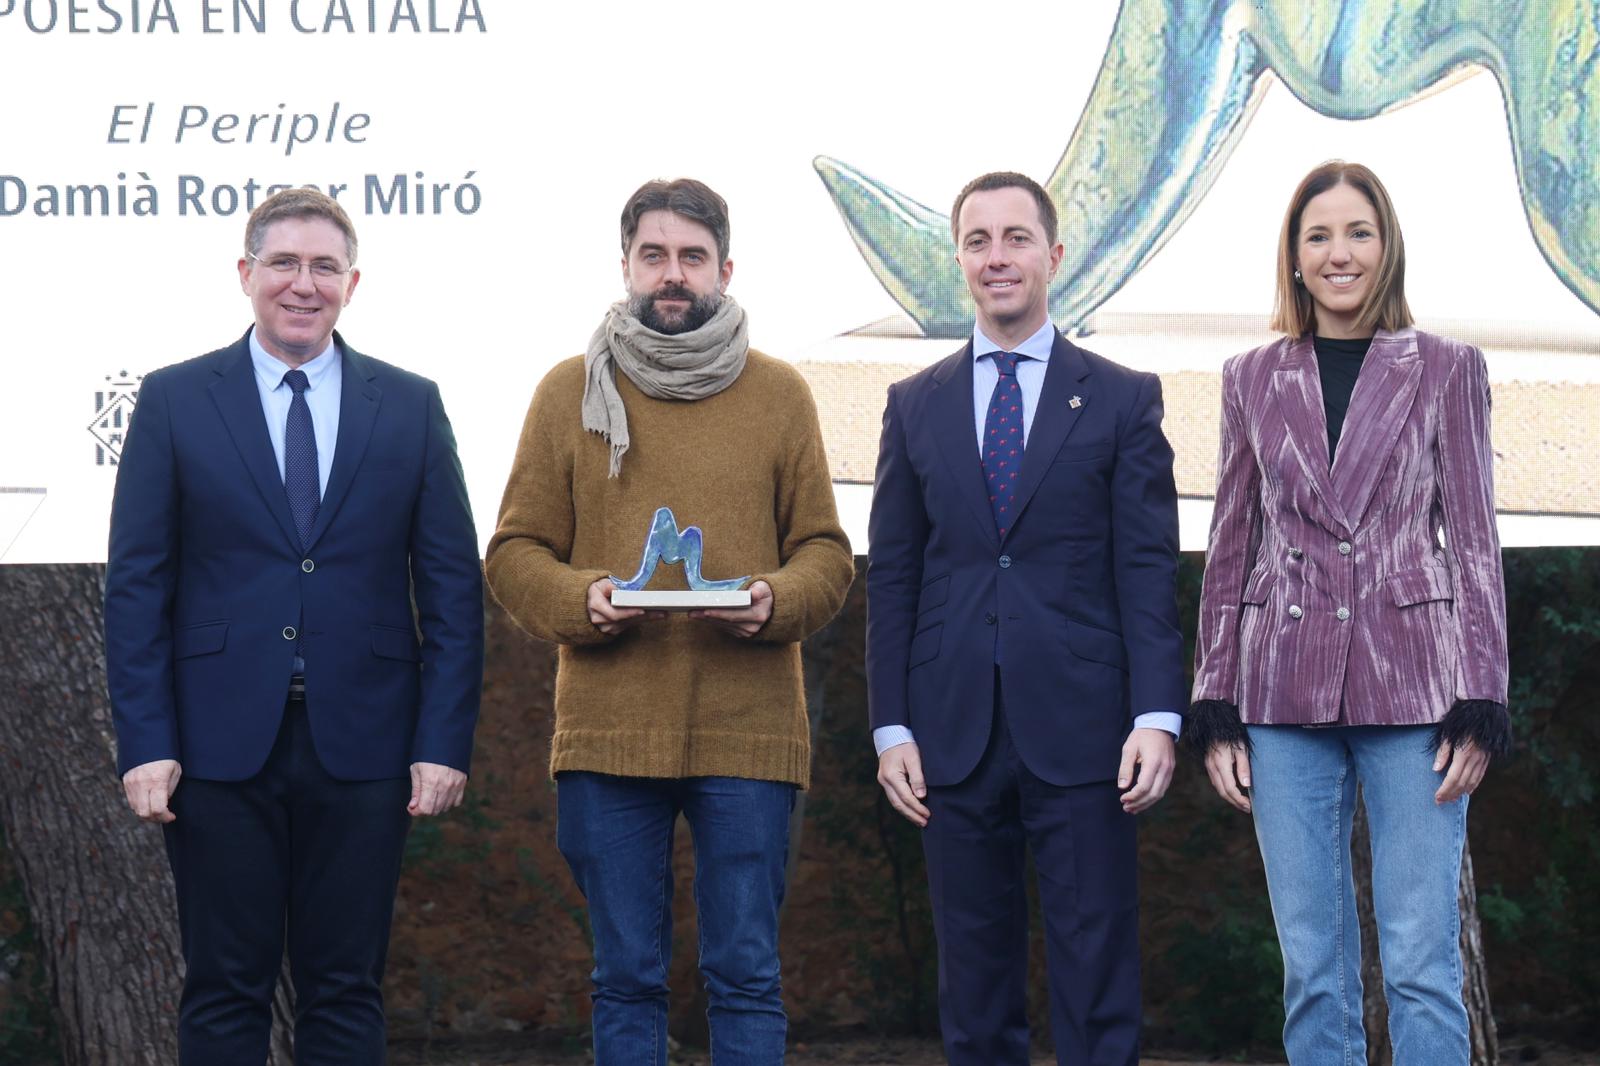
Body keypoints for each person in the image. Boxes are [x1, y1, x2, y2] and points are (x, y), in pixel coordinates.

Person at [105, 187, 485, 1064]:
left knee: (346, 989)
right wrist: (145, 742)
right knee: (224, 988)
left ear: (354, 282)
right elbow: (136, 586)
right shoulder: (173, 401)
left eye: (324, 266)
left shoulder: (411, 404)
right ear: (246, 274)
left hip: (367, 746)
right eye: (284, 263)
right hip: (213, 748)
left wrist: (443, 741)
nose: (303, 284)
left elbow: (452, 589)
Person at [483, 177, 853, 1065]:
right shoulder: (568, 390)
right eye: (655, 256)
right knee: (625, 978)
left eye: (692, 257)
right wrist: (583, 599)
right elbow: (514, 552)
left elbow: (827, 557)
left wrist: (772, 599)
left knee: (747, 975)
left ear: (725, 270)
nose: (672, 275)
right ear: (626, 266)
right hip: (610, 738)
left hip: (749, 737)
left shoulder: (781, 395)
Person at [1188, 160, 1510, 1064]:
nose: (1339, 252)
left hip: (1417, 692)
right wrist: (1215, 703)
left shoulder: (1448, 368)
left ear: (1386, 246)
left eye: (1357, 232)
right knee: (1314, 968)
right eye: (1318, 234)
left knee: (1420, 962)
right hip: (1280, 693)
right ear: (1293, 256)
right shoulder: (1251, 375)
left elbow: (1476, 541)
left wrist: (1482, 696)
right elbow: (1231, 543)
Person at [866, 171, 1185, 1065]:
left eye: (1015, 238)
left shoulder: (1123, 398)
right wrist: (891, 724)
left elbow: (1147, 568)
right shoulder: (914, 403)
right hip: (949, 734)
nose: (996, 257)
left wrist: (1158, 715)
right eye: (977, 240)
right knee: (973, 994)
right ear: (961, 259)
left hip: (1087, 734)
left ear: (1053, 252)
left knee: (1096, 987)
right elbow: (893, 577)